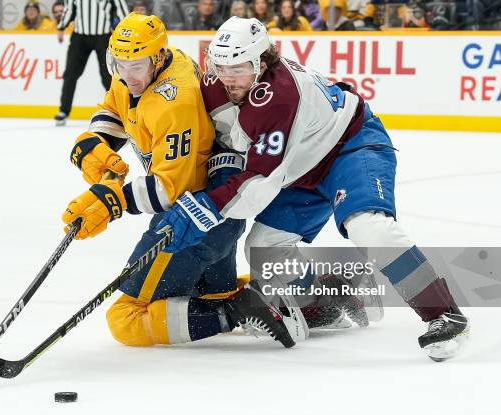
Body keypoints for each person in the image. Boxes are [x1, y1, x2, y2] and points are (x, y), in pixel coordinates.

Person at [159, 17, 470, 361]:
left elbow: (259, 182)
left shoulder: (276, 98)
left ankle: (444, 313)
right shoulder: (222, 81)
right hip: (302, 166)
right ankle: (329, 299)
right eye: (221, 66)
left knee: (369, 226)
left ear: (262, 64)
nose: (229, 77)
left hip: (348, 148)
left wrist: (204, 207)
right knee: (265, 249)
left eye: (240, 68)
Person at [60, 13, 305, 349]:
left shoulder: (175, 102)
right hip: (215, 212)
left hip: (193, 219)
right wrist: (97, 143)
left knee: (127, 320)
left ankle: (238, 311)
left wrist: (113, 201)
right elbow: (117, 107)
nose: (127, 75)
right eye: (119, 64)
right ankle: (312, 295)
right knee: (211, 294)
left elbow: (169, 189)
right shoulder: (144, 65)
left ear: (159, 57)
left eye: (136, 66)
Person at [54, 0, 129, 126]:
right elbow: (70, 9)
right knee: (70, 74)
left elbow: (121, 9)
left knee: (108, 75)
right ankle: (64, 111)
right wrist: (61, 27)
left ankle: (120, 110)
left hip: (103, 36)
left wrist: (126, 31)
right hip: (80, 36)